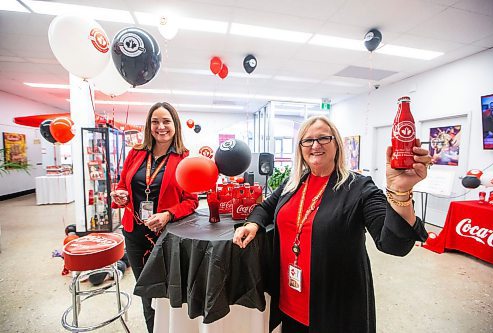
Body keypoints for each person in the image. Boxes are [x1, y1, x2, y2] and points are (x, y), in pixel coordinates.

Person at [233, 116, 430, 333]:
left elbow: (394, 245)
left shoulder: (359, 187)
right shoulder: (294, 183)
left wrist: (400, 191)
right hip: (289, 303)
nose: (315, 145)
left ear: (337, 144)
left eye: (323, 138)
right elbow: (265, 208)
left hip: (335, 310)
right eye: (307, 140)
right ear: (300, 148)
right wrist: (253, 224)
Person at [111, 102, 198, 332]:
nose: (161, 127)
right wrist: (120, 195)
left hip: (166, 236)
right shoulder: (136, 153)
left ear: (175, 125)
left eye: (166, 121)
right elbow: (122, 185)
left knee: (168, 293)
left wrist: (168, 214)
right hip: (134, 232)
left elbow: (191, 200)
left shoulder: (184, 158)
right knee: (146, 293)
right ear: (149, 125)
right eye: (155, 121)